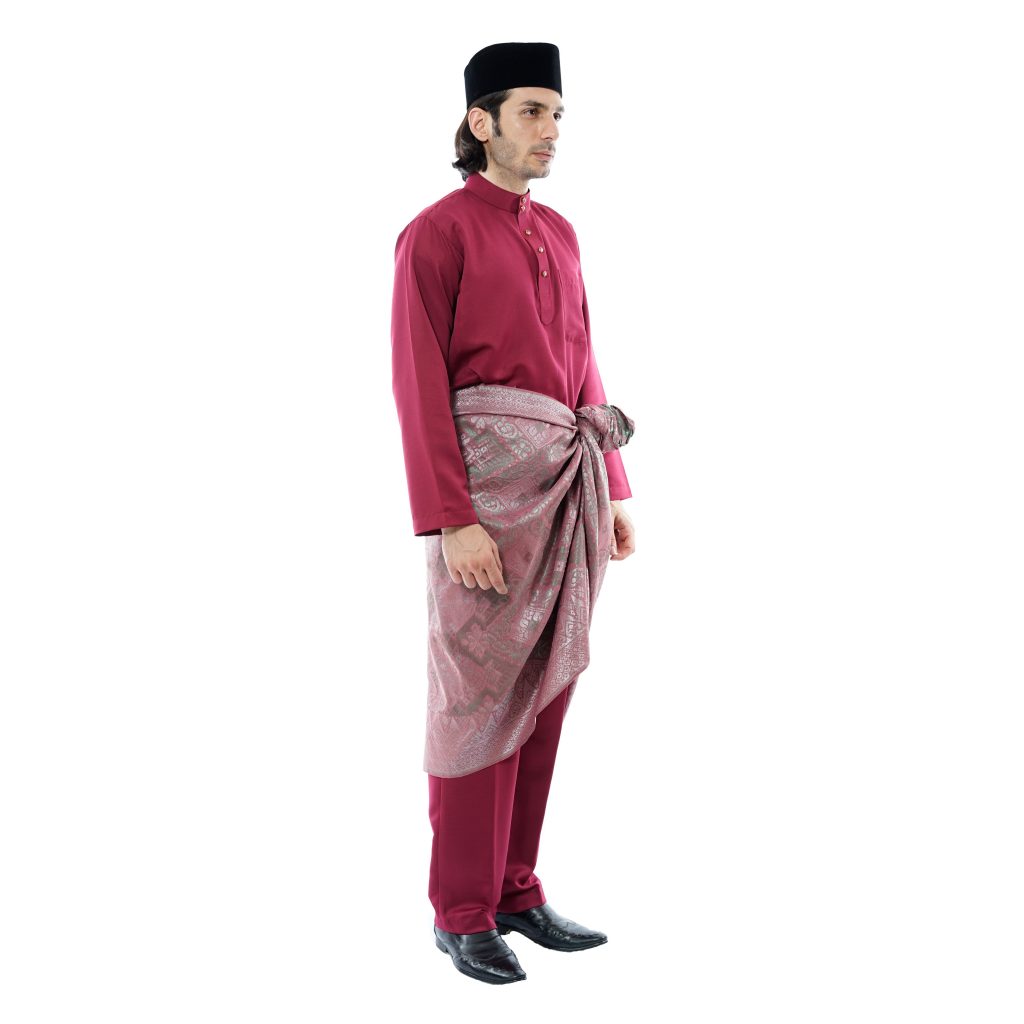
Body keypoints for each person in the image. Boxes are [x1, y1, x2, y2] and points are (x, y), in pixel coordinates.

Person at [390, 41, 637, 985]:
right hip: (483, 504)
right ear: (480, 122)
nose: (551, 131)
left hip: (567, 487)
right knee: (477, 700)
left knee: (545, 691)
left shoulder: (560, 232)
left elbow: (582, 359)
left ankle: (515, 891)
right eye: (532, 111)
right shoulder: (436, 234)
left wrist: (612, 485)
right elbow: (418, 382)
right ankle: (461, 912)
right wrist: (450, 518)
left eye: (557, 114)